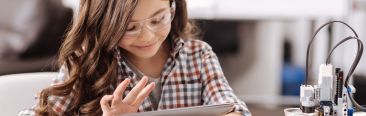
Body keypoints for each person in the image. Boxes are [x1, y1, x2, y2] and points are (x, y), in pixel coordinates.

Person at [18, 0, 251, 115]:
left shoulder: (198, 56)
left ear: (173, 9)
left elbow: (234, 107)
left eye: (158, 19)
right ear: (103, 26)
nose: (147, 36)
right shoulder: (86, 64)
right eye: (130, 28)